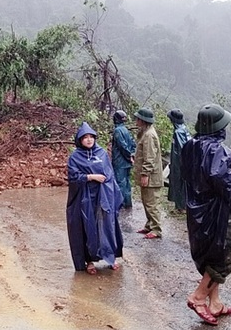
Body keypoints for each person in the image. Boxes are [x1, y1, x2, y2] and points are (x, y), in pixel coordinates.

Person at [180, 104, 231, 325]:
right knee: (226, 254)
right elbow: (224, 182)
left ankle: (215, 302)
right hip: (217, 211)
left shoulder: (190, 145)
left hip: (197, 208)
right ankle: (199, 297)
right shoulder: (216, 150)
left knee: (210, 254)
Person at [66, 122, 124, 275]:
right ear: (79, 140)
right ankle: (89, 261)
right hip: (84, 199)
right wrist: (90, 177)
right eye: (85, 137)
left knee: (107, 226)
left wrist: (112, 194)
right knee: (86, 228)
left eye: (91, 136)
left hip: (103, 196)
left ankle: (110, 258)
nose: (89, 140)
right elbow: (73, 177)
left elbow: (109, 174)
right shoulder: (75, 157)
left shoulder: (102, 153)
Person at [132, 107, 164, 239]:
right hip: (147, 175)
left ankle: (156, 229)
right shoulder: (144, 133)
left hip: (151, 176)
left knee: (152, 203)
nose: (136, 120)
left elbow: (150, 156)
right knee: (146, 201)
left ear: (142, 120)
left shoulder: (149, 135)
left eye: (138, 118)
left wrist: (145, 174)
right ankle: (149, 225)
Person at [166, 108, 192, 213]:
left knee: (179, 183)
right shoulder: (184, 129)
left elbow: (182, 148)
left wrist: (179, 163)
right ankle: (181, 206)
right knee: (181, 184)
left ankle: (181, 207)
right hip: (182, 163)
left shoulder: (178, 132)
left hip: (179, 163)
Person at [111, 110, 136, 209]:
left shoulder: (117, 131)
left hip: (120, 162)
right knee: (127, 183)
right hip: (126, 162)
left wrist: (129, 156)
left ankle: (120, 205)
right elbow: (133, 144)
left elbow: (122, 146)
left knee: (120, 183)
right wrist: (132, 156)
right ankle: (128, 203)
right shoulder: (125, 130)